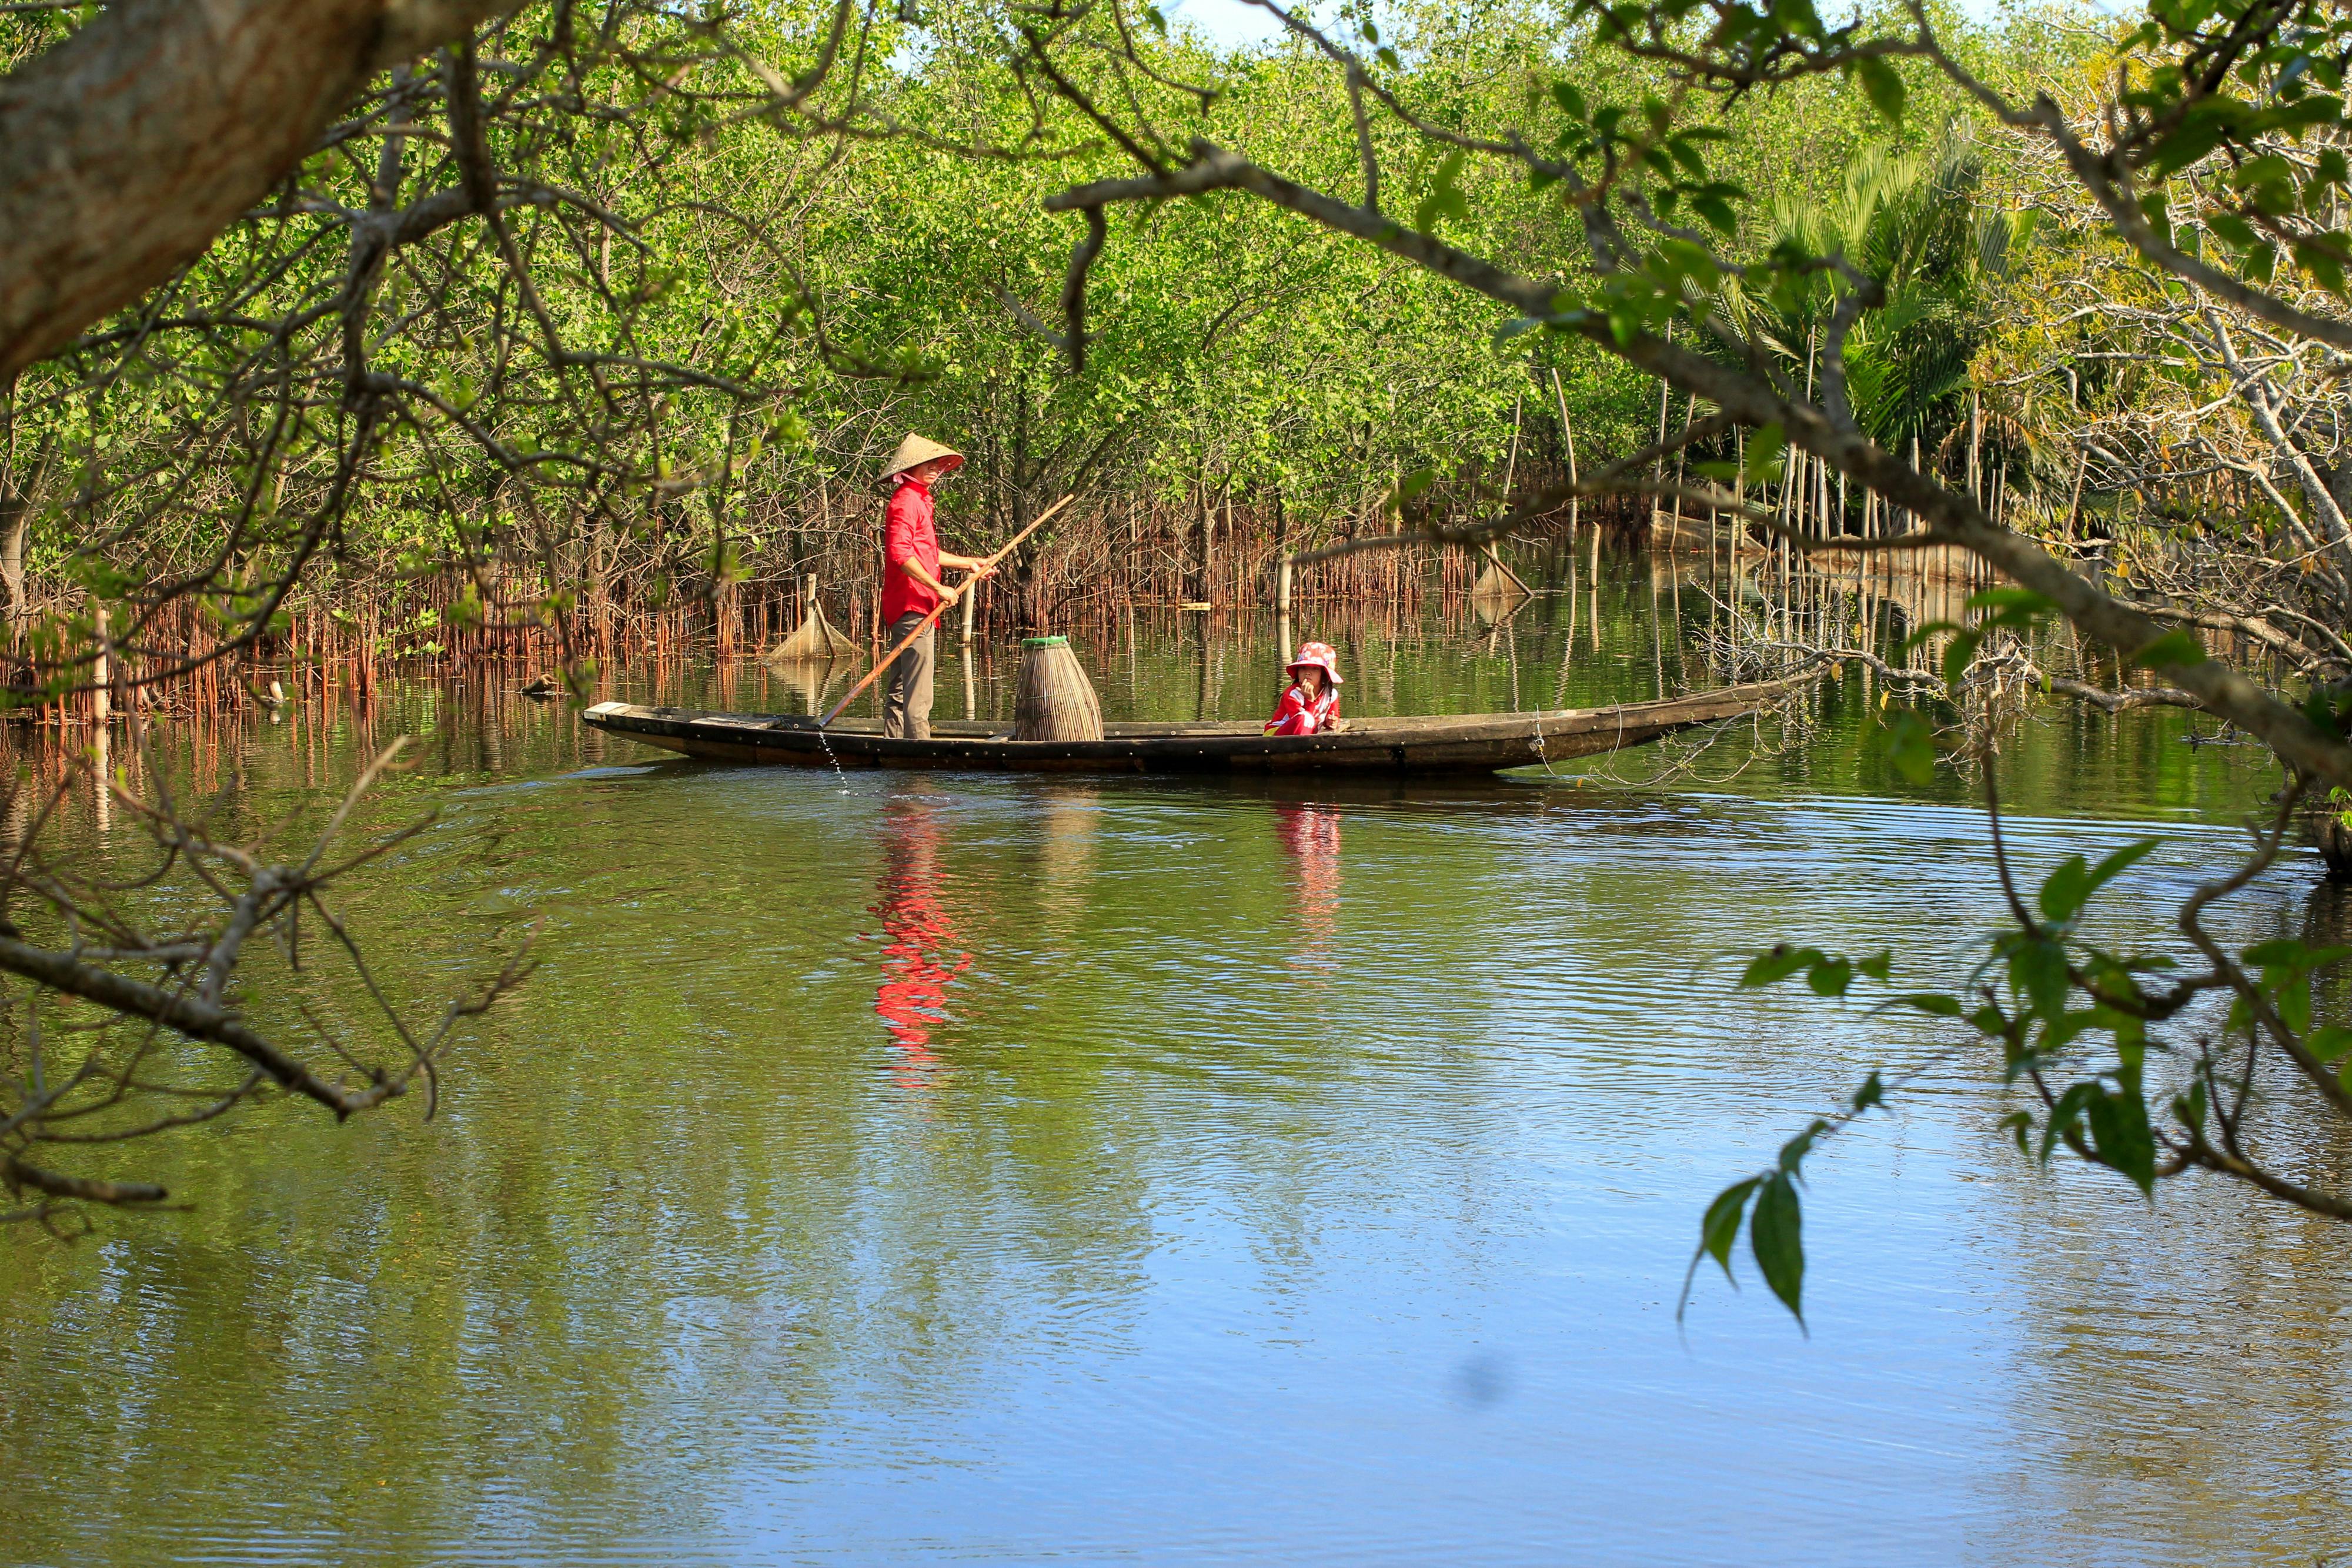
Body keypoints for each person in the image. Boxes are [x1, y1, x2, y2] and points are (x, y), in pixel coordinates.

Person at [878, 433, 990, 740]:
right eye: (927, 463)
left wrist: (969, 563)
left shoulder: (920, 500)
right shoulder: (906, 502)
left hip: (918, 603)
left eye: (937, 464)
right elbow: (901, 555)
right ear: (909, 468)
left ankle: (893, 745)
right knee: (919, 688)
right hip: (911, 604)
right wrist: (938, 588)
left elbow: (927, 552)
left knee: (902, 685)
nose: (934, 468)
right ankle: (919, 749)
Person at [1264, 641, 1344, 735]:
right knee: (1305, 717)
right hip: (1275, 735)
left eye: (1315, 669)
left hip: (1306, 734)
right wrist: (1309, 701)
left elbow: (1333, 715)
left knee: (1307, 717)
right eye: (1303, 668)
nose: (1307, 673)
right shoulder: (1292, 694)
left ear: (1324, 675)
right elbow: (1304, 723)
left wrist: (1331, 722)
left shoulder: (1331, 695)